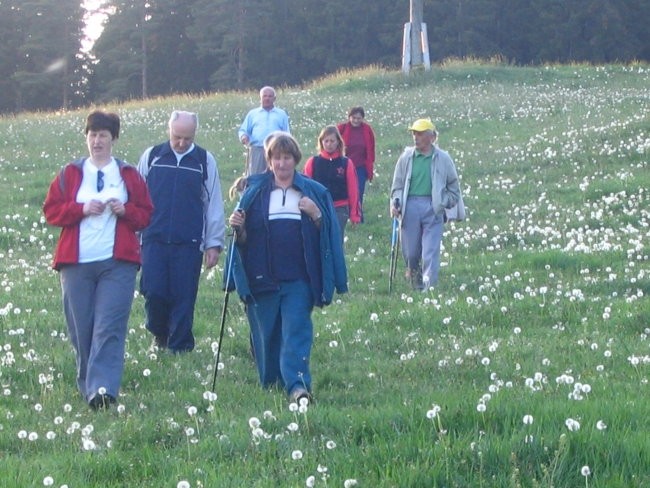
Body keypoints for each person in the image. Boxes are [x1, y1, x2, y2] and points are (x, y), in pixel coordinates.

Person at [43, 110, 153, 409]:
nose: (97, 141)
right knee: (83, 329)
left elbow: (145, 214)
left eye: (103, 135)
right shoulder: (70, 174)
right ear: (86, 138)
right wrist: (80, 208)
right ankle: (87, 384)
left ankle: (102, 392)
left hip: (117, 263)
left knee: (109, 326)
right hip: (76, 264)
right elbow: (51, 210)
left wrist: (125, 210)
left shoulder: (128, 174)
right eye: (92, 135)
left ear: (113, 139)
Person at [226, 132, 347, 404]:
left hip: (299, 280)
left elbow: (327, 239)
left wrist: (316, 216)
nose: (282, 163)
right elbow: (243, 242)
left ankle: (298, 387)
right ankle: (273, 383)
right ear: (269, 161)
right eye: (276, 158)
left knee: (296, 332)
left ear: (295, 159)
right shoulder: (255, 193)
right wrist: (239, 228)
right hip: (262, 279)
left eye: (287, 157)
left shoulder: (312, 192)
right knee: (267, 338)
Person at [138, 111, 226, 353]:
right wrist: (134, 237)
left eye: (188, 138)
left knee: (184, 296)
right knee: (153, 291)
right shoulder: (152, 156)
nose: (181, 143)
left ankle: (180, 347)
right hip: (153, 239)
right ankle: (159, 334)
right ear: (169, 131)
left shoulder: (204, 161)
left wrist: (213, 243)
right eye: (177, 137)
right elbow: (137, 198)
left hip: (189, 242)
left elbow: (213, 204)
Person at [389, 118, 461, 291]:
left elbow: (454, 187)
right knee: (411, 253)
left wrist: (444, 202)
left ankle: (428, 290)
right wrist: (395, 203)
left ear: (432, 137)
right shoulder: (406, 157)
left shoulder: (443, 158)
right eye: (414, 133)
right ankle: (415, 279)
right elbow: (397, 186)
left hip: (433, 207)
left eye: (420, 133)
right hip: (410, 207)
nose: (416, 137)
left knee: (430, 251)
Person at [303, 125, 361, 245]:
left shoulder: (346, 163)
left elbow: (353, 189)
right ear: (321, 142)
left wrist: (354, 214)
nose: (329, 144)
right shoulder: (313, 162)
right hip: (318, 207)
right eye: (326, 141)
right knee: (318, 241)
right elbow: (306, 188)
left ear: (338, 142)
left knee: (335, 242)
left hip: (339, 208)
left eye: (332, 141)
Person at [238, 86, 290, 176]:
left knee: (276, 176)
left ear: (274, 98)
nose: (267, 98)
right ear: (260, 98)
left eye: (270, 96)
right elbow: (243, 130)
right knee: (256, 177)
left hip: (276, 150)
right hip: (257, 150)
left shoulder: (281, 114)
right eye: (265, 96)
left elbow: (287, 134)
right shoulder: (253, 114)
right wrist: (243, 137)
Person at [337, 106, 375, 222]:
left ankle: (358, 216)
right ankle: (345, 215)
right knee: (344, 191)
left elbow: (371, 148)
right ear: (349, 117)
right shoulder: (341, 129)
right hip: (344, 166)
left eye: (359, 118)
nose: (356, 120)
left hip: (360, 167)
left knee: (358, 191)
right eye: (354, 118)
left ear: (362, 118)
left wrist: (370, 165)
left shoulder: (367, 130)